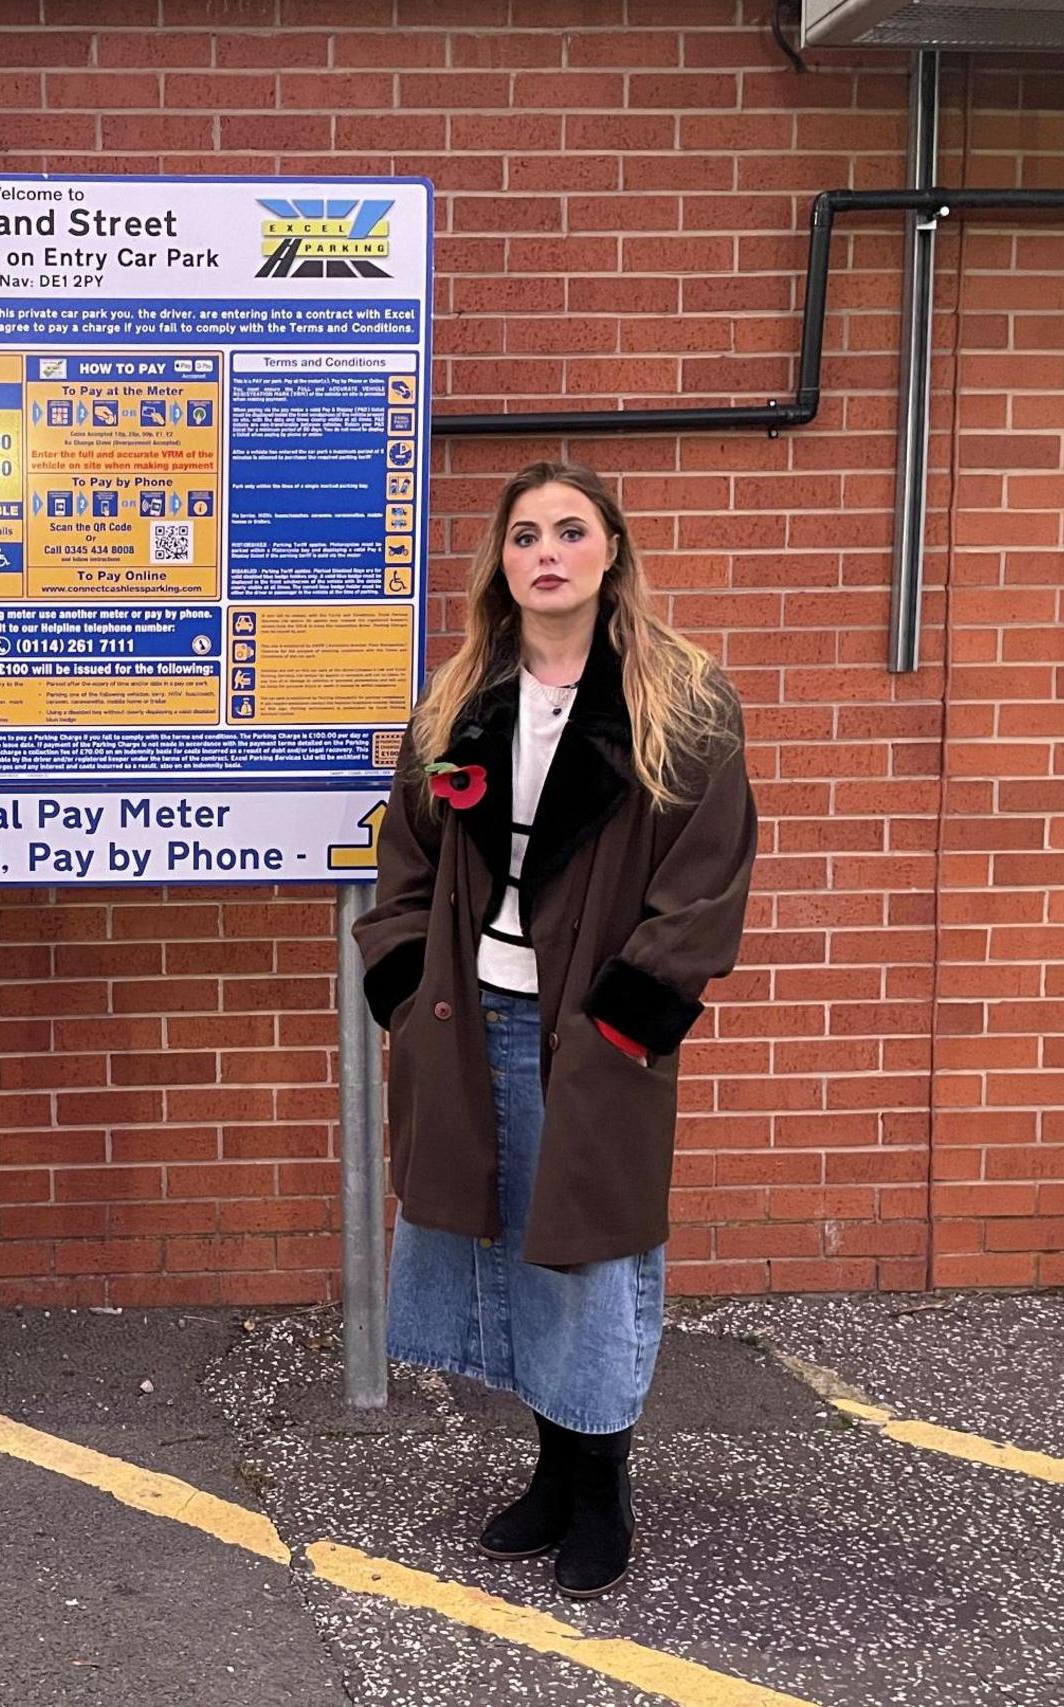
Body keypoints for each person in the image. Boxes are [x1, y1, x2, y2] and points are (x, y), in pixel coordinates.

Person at [354, 460, 757, 1599]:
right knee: (500, 1252)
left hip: (592, 1032)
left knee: (589, 1257)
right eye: (524, 533)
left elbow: (706, 882)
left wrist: (630, 1021)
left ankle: (601, 1492)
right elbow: (406, 862)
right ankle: (546, 1472)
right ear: (503, 563)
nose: (546, 552)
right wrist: (399, 987)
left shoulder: (679, 701)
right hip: (468, 1022)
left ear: (610, 552)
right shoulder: (459, 700)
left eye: (569, 531)